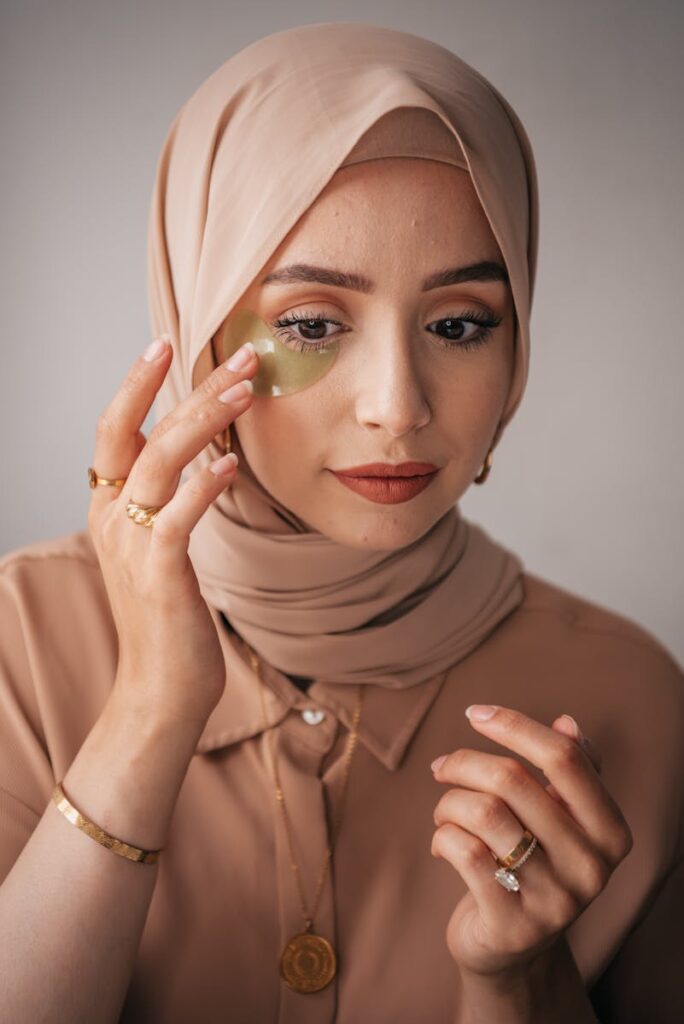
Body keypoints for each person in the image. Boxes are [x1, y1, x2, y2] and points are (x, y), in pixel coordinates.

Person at [0, 20, 681, 1024]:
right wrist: (148, 709)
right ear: (197, 329)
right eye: (311, 324)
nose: (397, 407)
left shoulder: (634, 701)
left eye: (458, 324)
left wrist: (518, 984)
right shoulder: (21, 643)